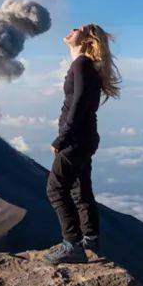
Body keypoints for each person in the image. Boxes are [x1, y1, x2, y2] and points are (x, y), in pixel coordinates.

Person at [44, 24, 122, 265]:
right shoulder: (86, 65)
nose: (70, 29)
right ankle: (90, 239)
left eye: (76, 28)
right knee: (80, 188)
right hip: (85, 136)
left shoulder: (81, 65)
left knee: (56, 189)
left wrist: (63, 137)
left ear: (87, 39)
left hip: (76, 137)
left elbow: (78, 104)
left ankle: (72, 245)